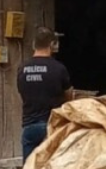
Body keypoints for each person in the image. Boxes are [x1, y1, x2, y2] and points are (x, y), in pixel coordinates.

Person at [17, 27, 73, 162]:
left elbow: (22, 92)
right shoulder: (59, 68)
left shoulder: (22, 68)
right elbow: (69, 96)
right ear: (52, 45)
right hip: (52, 127)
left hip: (29, 127)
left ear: (33, 45)